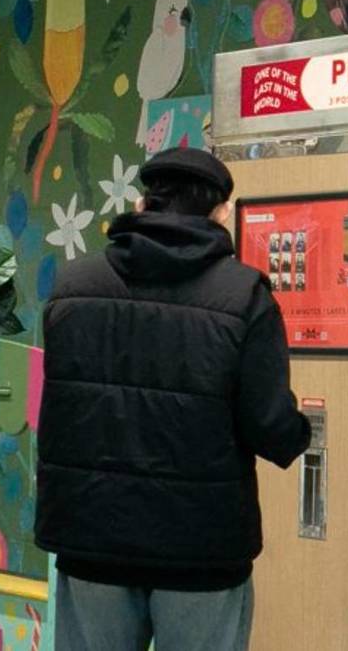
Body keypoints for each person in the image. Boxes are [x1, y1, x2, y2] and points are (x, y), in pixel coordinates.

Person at [36, 147, 312, 651]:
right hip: (201, 547)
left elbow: (64, 411)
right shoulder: (243, 295)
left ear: (143, 205)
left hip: (91, 536)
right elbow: (268, 424)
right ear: (221, 212)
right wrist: (300, 433)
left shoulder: (73, 287)